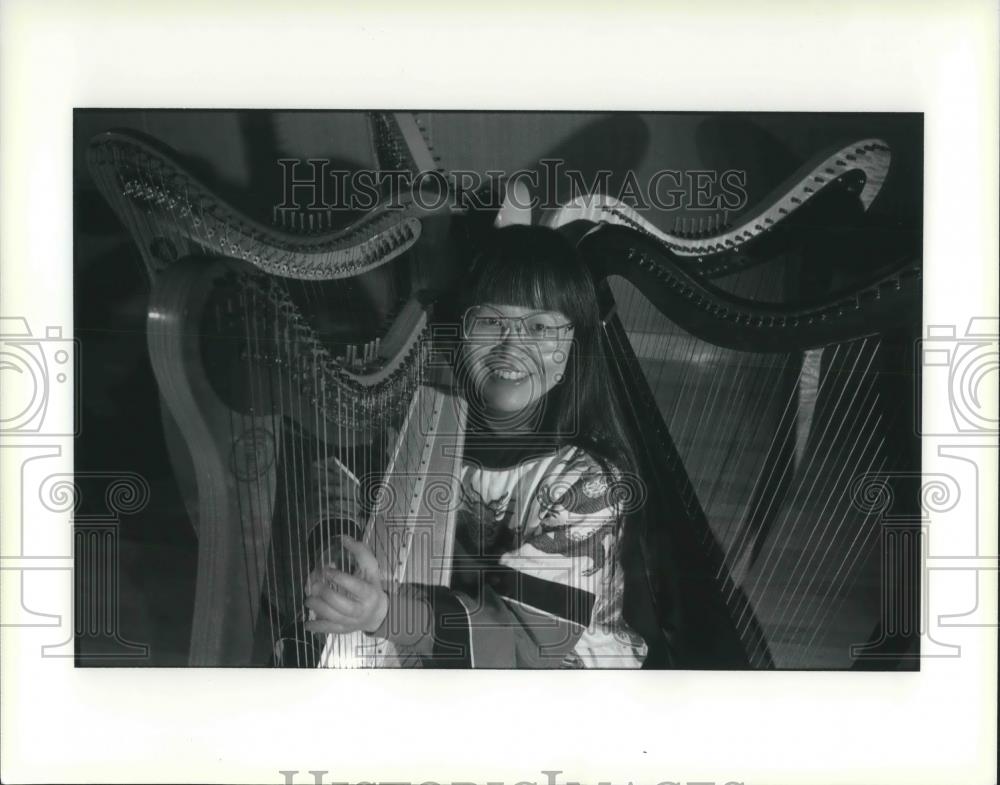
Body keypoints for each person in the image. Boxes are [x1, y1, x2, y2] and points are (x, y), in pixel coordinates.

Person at [302, 225, 649, 668]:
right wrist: (341, 539)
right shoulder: (426, 427)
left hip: (558, 679)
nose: (513, 348)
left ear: (572, 348)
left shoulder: (589, 483)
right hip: (441, 637)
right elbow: (348, 497)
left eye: (540, 327)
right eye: (491, 322)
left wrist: (386, 614)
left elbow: (525, 645)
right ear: (462, 332)